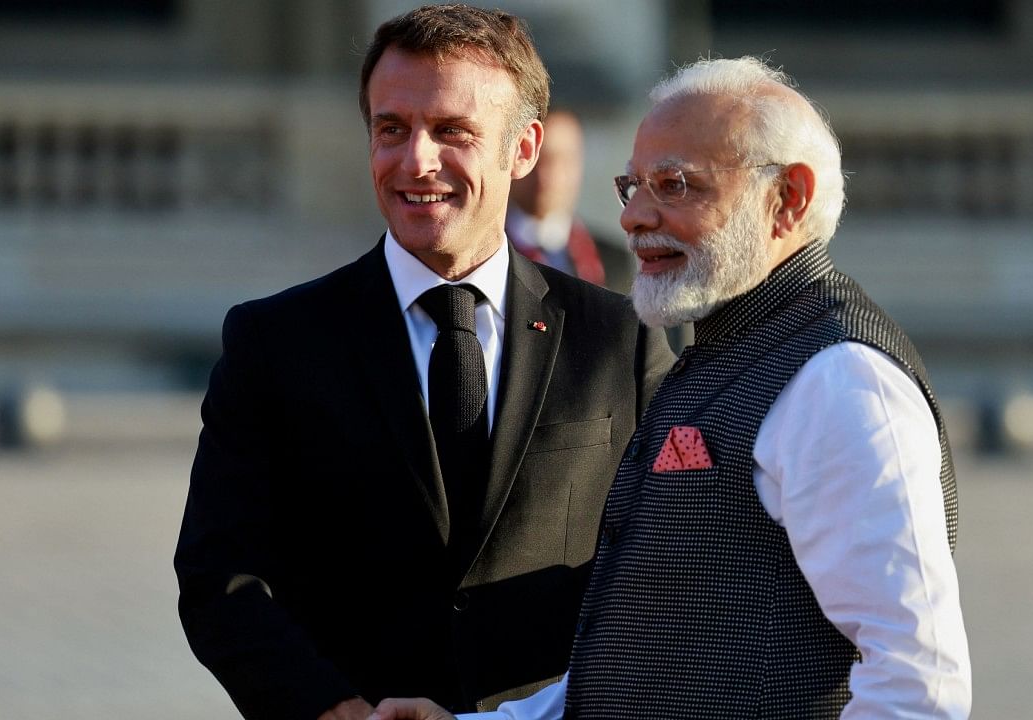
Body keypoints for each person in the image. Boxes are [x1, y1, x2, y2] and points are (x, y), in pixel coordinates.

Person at [375, 55, 971, 720]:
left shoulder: (839, 381)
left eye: (677, 185)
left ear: (789, 199)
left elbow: (919, 686)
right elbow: (642, 665)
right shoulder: (723, 349)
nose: (633, 217)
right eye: (634, 186)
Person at [173, 5, 673, 720]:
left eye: (452, 132)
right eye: (391, 130)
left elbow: (665, 563)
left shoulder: (618, 340)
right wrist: (332, 709)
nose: (416, 162)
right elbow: (219, 574)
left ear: (524, 148)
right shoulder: (275, 342)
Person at [505, 110, 633, 291]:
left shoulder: (613, 262)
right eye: (537, 158)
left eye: (563, 159)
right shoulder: (484, 254)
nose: (549, 173)